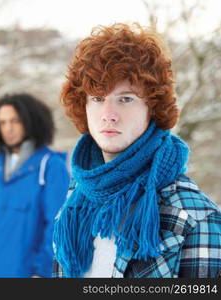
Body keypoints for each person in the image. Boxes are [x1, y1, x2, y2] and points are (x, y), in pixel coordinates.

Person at [52, 23, 221, 278]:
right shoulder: (76, 197)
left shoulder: (195, 217)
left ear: (152, 107)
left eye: (125, 99)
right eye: (98, 99)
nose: (108, 115)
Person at [0, 93, 70, 278]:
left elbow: (57, 226)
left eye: (15, 121)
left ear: (31, 121)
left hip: (26, 273)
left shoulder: (51, 166)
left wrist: (42, 271)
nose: (8, 128)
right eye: (2, 123)